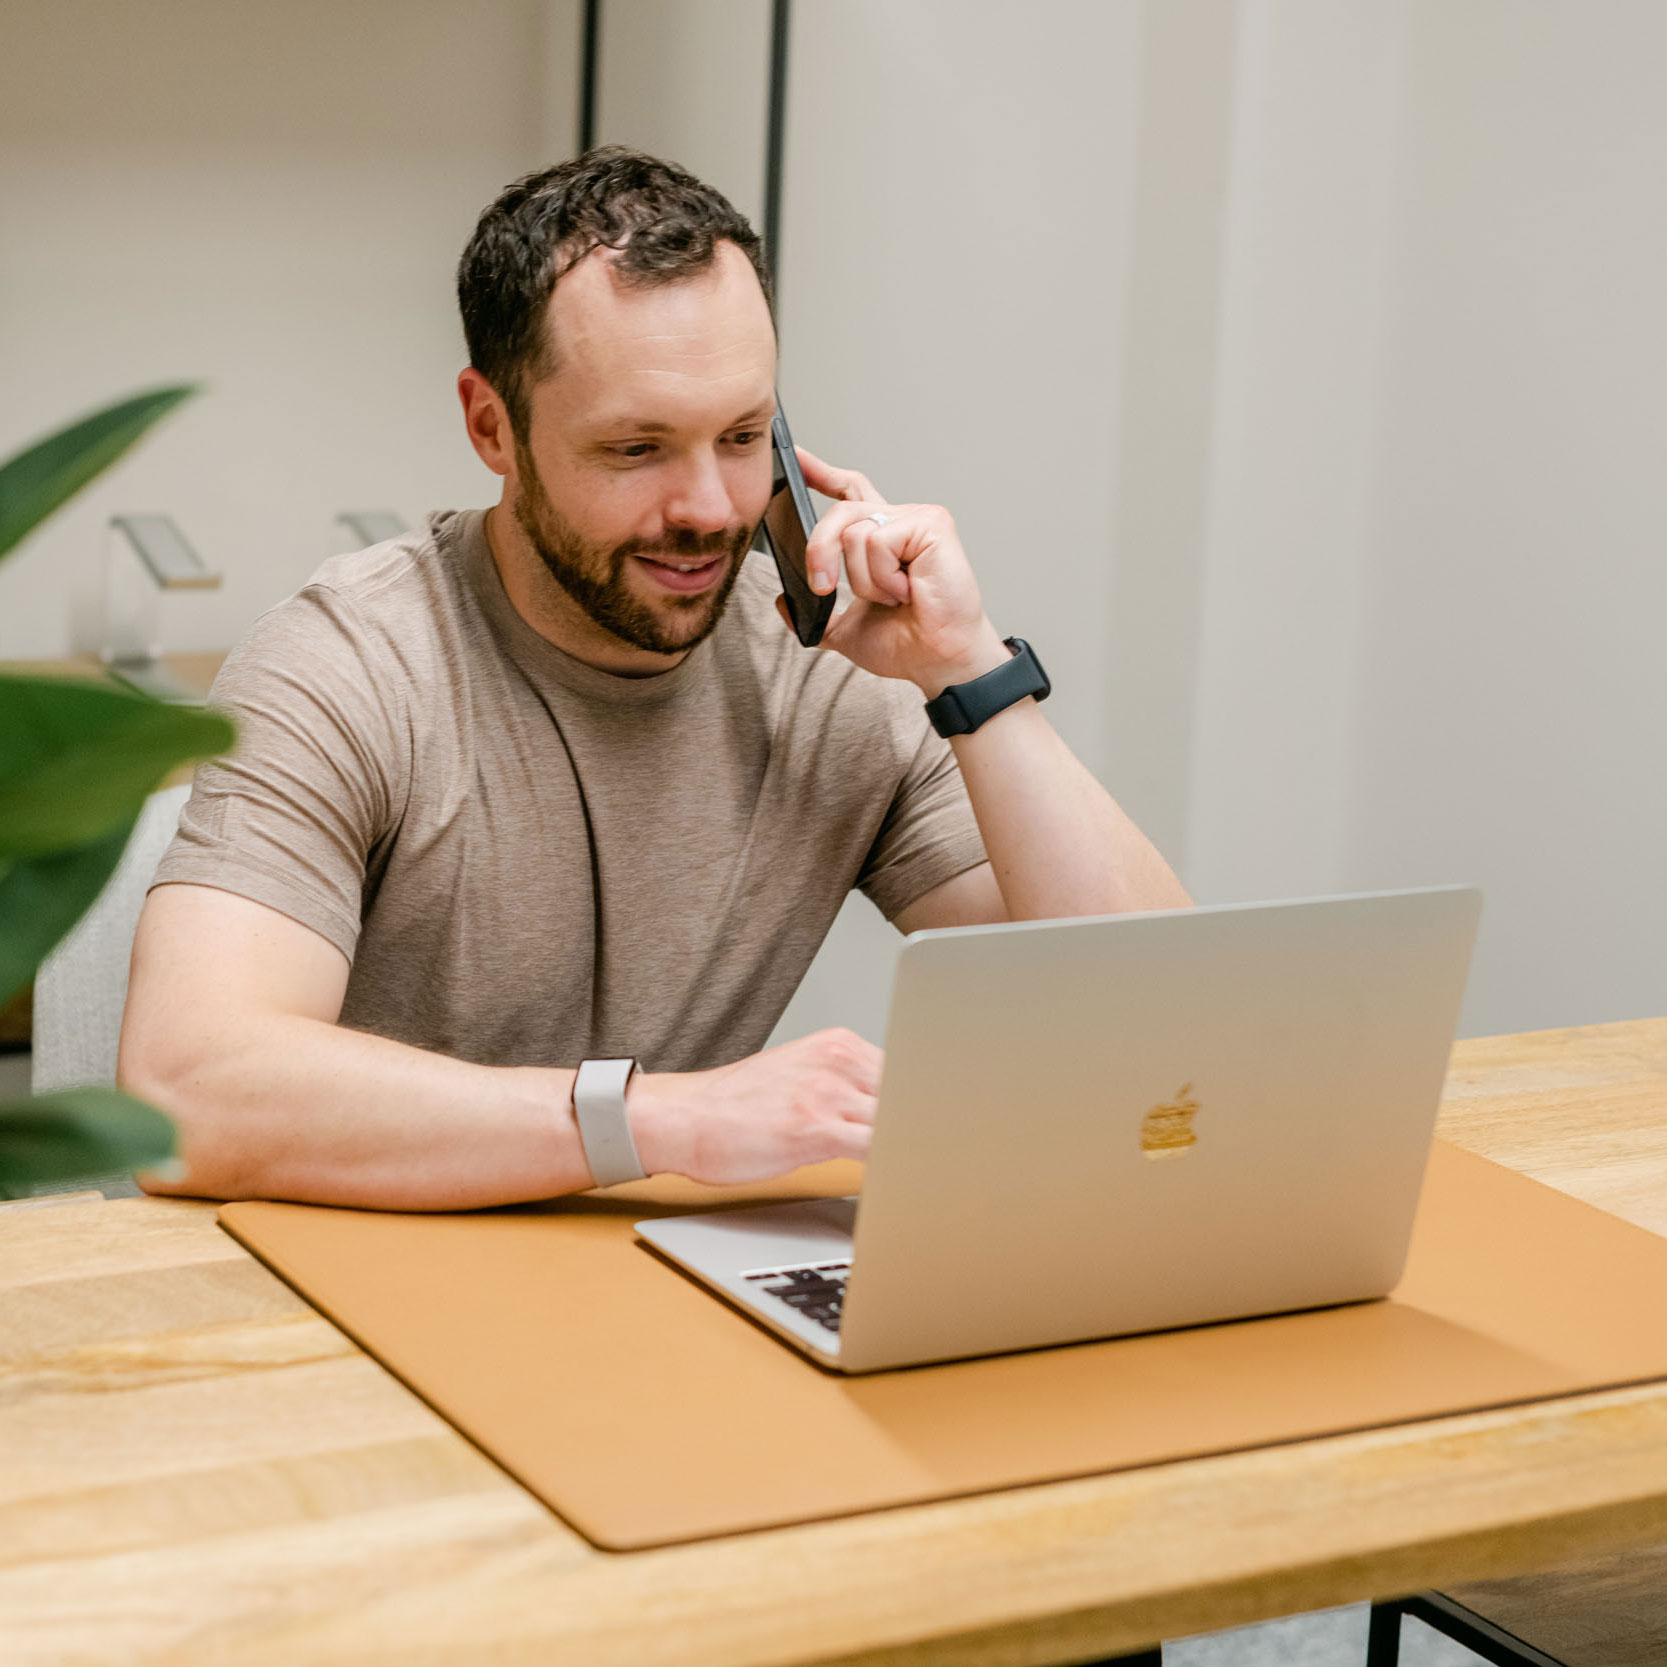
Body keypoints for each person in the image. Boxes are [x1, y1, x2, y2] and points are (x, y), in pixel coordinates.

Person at [119, 146, 1190, 1211]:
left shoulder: (834, 673)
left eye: (738, 436)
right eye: (637, 448)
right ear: (491, 425)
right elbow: (186, 1096)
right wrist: (660, 1119)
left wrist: (968, 673)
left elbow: (1159, 1033)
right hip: (355, 1297)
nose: (710, 508)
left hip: (652, 1296)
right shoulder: (349, 664)